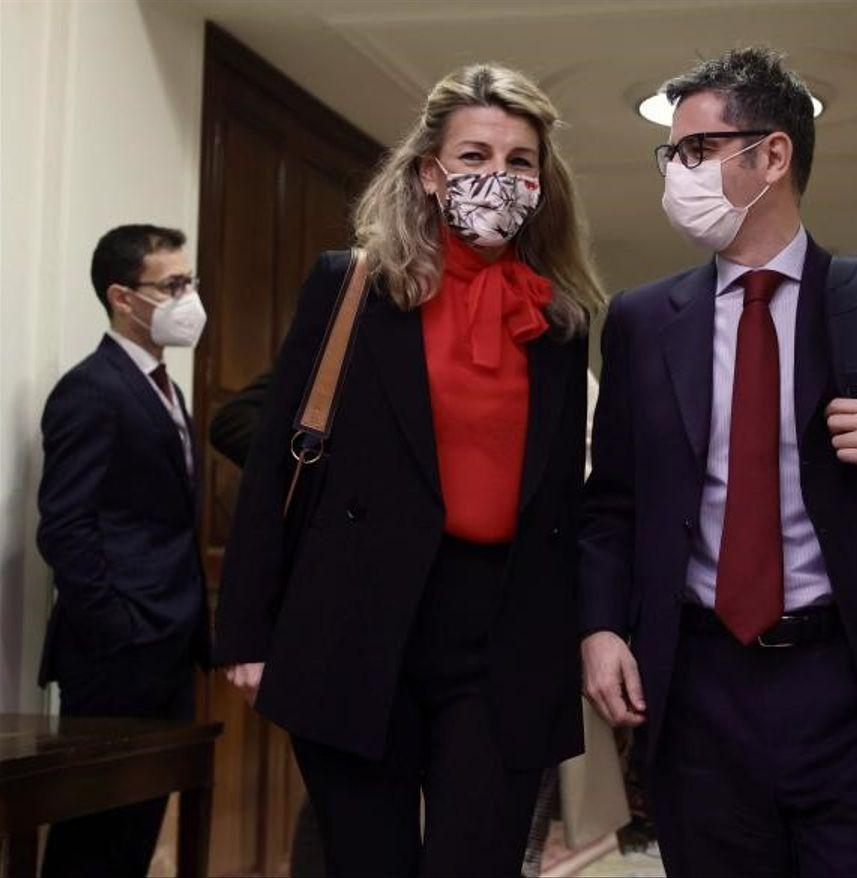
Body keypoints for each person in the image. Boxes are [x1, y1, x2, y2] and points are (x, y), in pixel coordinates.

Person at [579, 47, 857, 877]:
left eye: (696, 150)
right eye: (671, 154)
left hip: (853, 687)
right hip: (698, 689)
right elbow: (612, 501)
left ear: (773, 155)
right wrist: (602, 624)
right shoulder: (644, 322)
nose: (676, 173)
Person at [213, 63, 604, 877]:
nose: (496, 176)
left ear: (542, 180)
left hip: (502, 636)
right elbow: (278, 460)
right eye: (473, 155)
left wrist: (592, 629)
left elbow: (566, 502)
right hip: (357, 620)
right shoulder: (350, 286)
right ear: (430, 172)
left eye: (519, 161)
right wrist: (248, 631)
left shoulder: (560, 320)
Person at [36, 224, 210, 877]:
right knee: (93, 844)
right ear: (122, 297)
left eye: (189, 282)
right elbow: (65, 526)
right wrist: (121, 628)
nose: (188, 298)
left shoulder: (168, 389)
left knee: (135, 836)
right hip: (117, 653)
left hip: (169, 647)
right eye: (172, 285)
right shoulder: (92, 388)